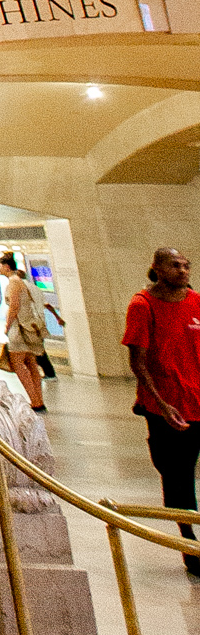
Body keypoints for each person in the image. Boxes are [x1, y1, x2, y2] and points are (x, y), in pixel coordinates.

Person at [123, 247, 200, 579]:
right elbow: (138, 362)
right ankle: (189, 545)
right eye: (174, 265)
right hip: (166, 406)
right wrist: (161, 404)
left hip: (198, 400)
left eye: (186, 265)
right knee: (177, 476)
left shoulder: (196, 301)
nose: (182, 270)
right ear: (156, 268)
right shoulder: (142, 305)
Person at [0, 251, 49, 412]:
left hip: (19, 327)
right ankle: (38, 400)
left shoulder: (13, 282)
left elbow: (14, 305)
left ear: (7, 267)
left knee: (17, 363)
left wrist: (7, 325)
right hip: (29, 326)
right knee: (31, 363)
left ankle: (34, 400)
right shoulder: (21, 282)